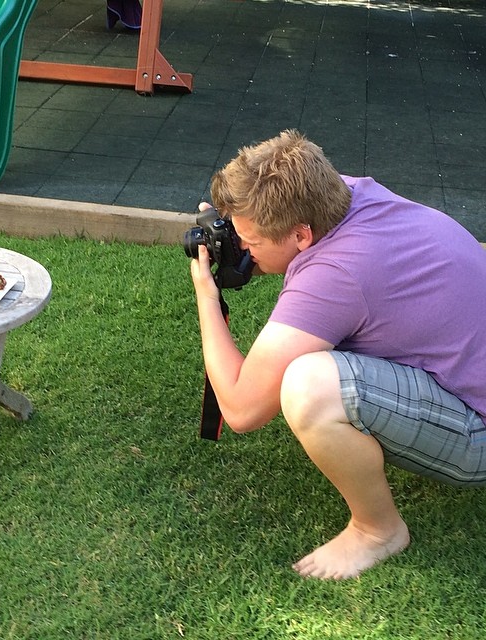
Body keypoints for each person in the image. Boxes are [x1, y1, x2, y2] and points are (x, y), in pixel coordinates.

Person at [189, 129, 486, 580]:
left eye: (250, 243)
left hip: (478, 431)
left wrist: (207, 299)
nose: (243, 250)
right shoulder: (347, 193)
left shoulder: (335, 275)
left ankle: (378, 530)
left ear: (301, 235)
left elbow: (240, 409)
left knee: (310, 387)